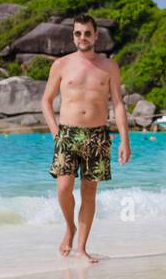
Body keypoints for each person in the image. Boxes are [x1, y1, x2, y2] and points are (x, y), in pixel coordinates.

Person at [40, 14, 132, 262]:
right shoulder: (61, 65)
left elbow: (119, 104)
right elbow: (46, 101)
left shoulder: (109, 66)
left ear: (95, 36)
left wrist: (125, 139)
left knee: (89, 194)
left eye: (87, 33)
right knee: (64, 188)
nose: (83, 38)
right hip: (67, 134)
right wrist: (55, 132)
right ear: (73, 36)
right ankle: (70, 228)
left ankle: (81, 247)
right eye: (78, 33)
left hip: (98, 136)